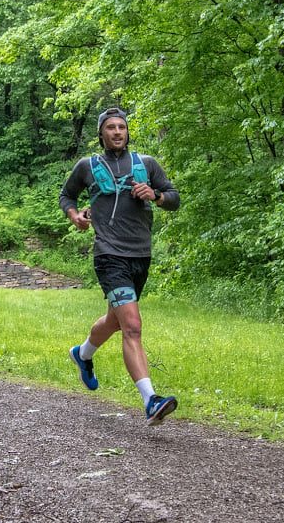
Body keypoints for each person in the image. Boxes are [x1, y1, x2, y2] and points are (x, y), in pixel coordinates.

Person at [59, 106, 181, 426]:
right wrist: (75, 217)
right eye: (110, 127)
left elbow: (174, 198)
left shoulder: (147, 164)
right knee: (132, 325)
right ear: (101, 133)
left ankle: (83, 354)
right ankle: (150, 400)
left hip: (140, 254)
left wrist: (154, 195)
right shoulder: (88, 166)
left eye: (121, 127)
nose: (117, 132)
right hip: (108, 254)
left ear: (127, 132)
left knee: (115, 321)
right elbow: (67, 196)